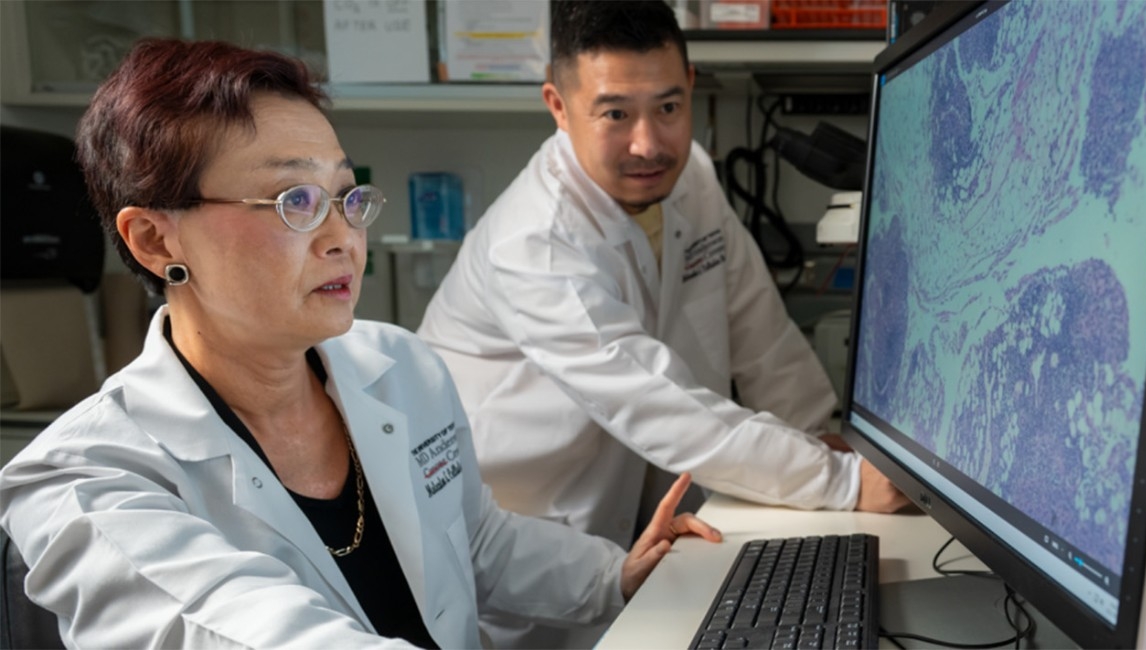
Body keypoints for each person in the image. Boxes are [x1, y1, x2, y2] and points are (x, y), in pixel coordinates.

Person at [0, 38, 721, 649]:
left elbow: (474, 543)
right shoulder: (83, 480)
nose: (343, 236)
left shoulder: (398, 367)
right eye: (294, 202)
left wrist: (615, 575)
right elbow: (253, 630)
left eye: (346, 195)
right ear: (156, 239)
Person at [418, 1, 909, 646]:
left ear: (692, 87)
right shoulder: (534, 245)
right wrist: (842, 483)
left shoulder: (691, 177)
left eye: (668, 108)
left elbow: (758, 328)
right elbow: (660, 404)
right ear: (559, 107)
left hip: (639, 542)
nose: (648, 143)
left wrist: (821, 434)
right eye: (615, 113)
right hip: (530, 572)